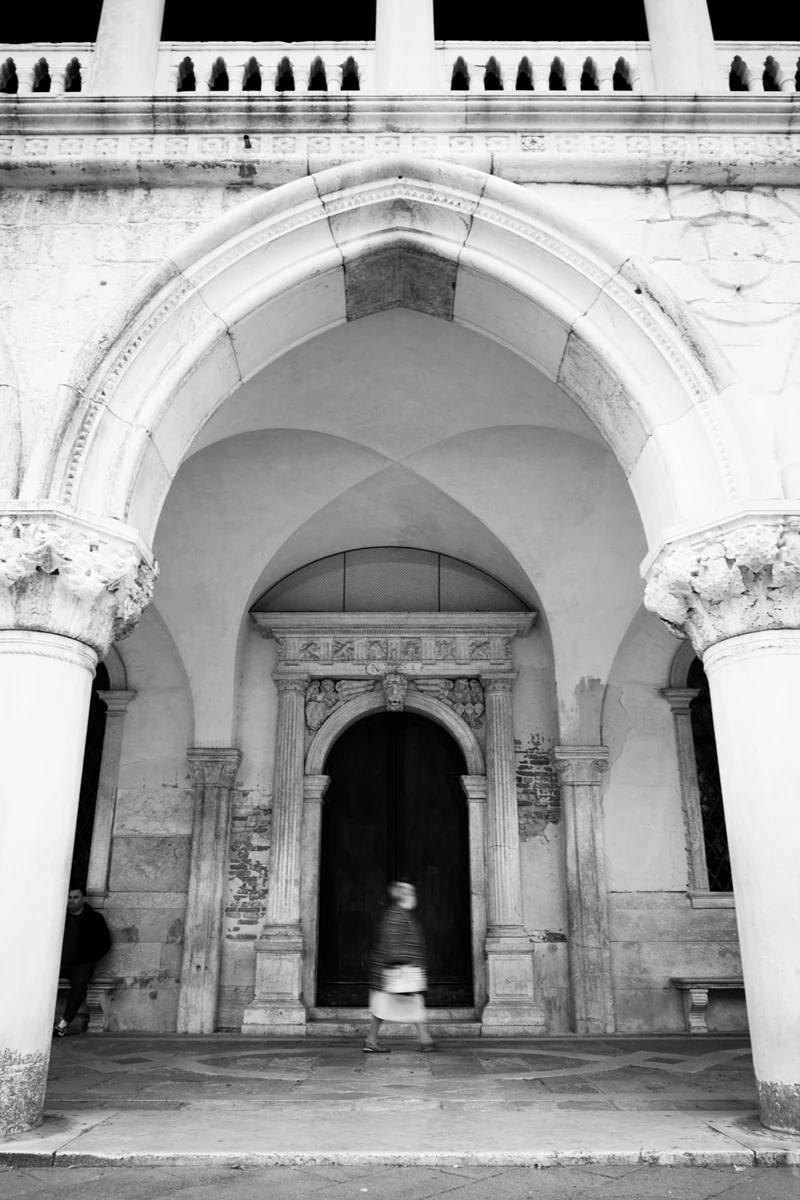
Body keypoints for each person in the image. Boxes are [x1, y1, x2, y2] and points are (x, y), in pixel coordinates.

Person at [365, 881, 434, 1053]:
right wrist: (406, 962)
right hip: (396, 972)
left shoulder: (399, 914)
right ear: (404, 896)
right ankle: (425, 1040)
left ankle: (425, 1040)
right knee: (388, 1006)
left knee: (392, 1006)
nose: (414, 897)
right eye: (411, 894)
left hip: (395, 972)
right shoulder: (397, 915)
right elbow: (393, 943)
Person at [53, 881, 111, 1037]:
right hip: (58, 963)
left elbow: (105, 943)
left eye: (75, 897)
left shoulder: (94, 919)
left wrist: (88, 957)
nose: (71, 901)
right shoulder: (58, 917)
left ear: (82, 898)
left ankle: (64, 1022)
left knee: (80, 983)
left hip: (81, 964)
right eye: (69, 897)